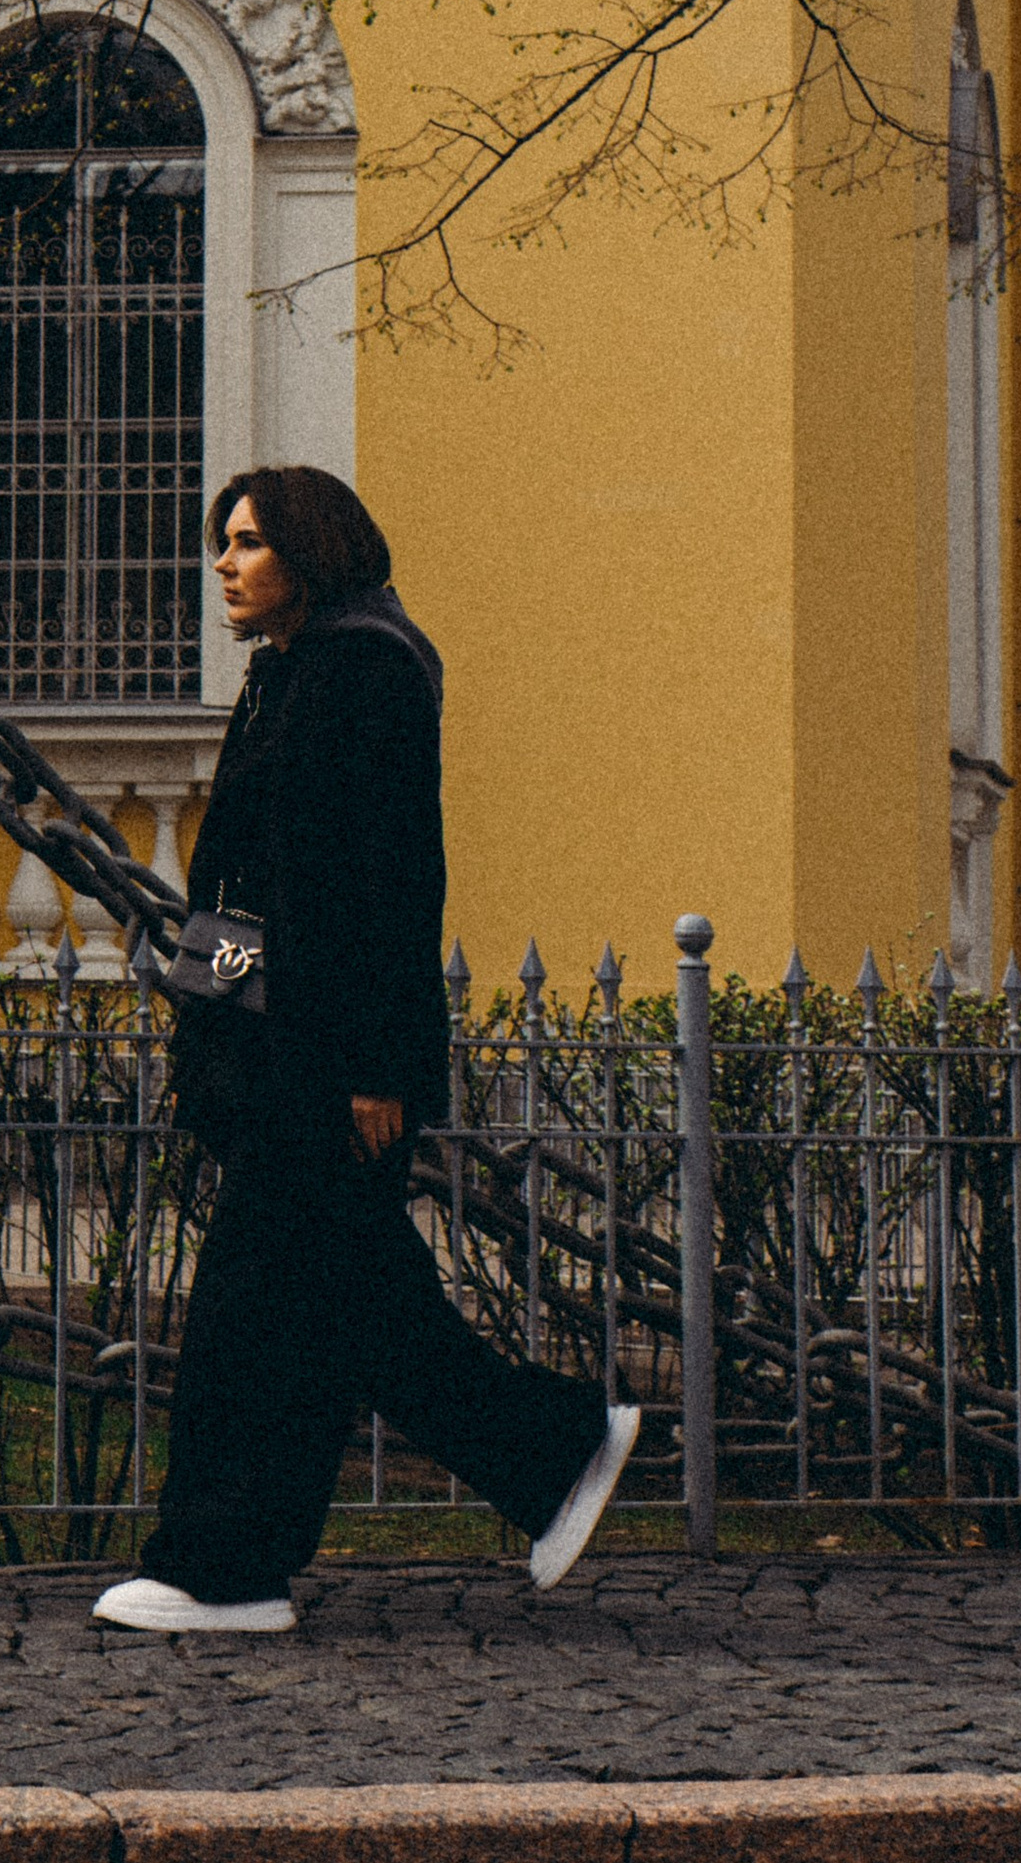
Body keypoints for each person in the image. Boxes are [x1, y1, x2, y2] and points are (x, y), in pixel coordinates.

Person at [94, 465, 639, 1635]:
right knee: (333, 1317)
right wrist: (207, 1016)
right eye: (221, 545)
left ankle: (221, 1567)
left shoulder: (363, 672)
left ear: (311, 548)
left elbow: (387, 888)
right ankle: (545, 1453)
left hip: (328, 1066)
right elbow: (240, 886)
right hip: (278, 1057)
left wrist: (379, 1068)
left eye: (245, 543)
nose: (224, 565)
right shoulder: (287, 674)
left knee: (259, 1314)